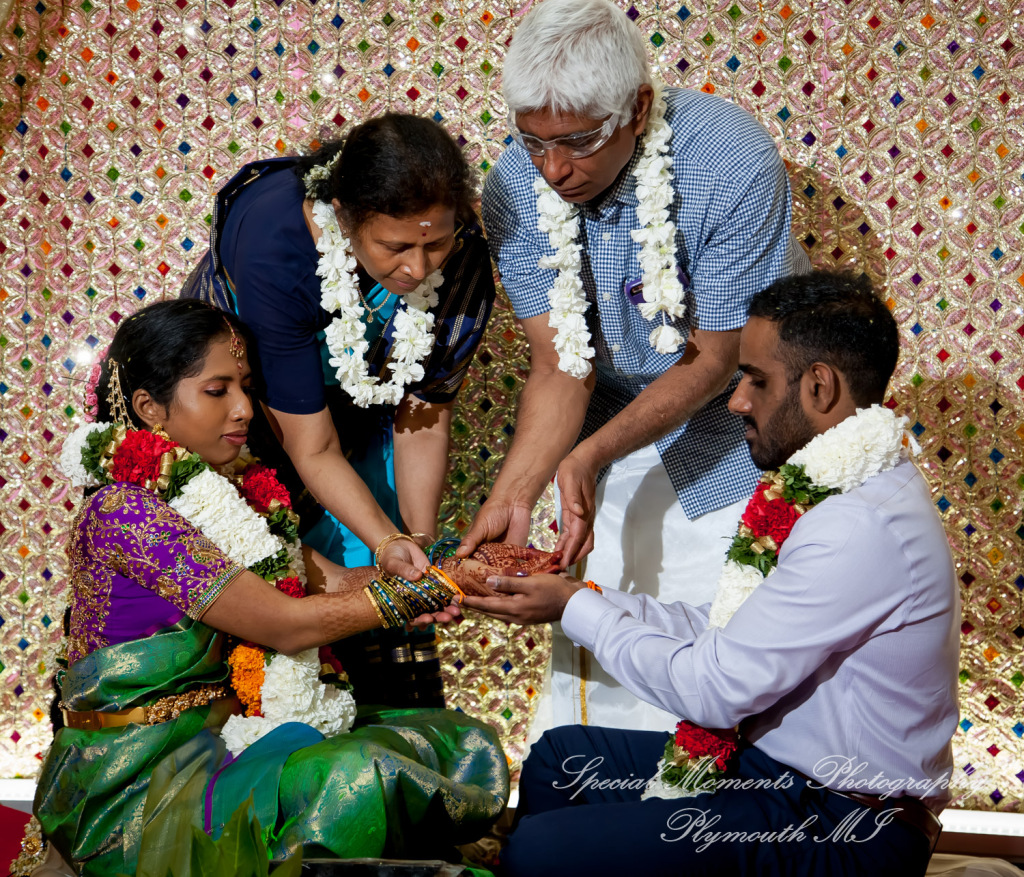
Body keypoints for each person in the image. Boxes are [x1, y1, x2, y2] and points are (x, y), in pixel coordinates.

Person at [465, 271, 959, 876]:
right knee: (557, 759)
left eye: (756, 379)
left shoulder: (858, 524)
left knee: (541, 852)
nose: (737, 400)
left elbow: (716, 690)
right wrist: (582, 594)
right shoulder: (832, 490)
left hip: (845, 821)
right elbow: (734, 630)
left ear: (820, 387)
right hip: (775, 776)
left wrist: (572, 611)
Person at [37, 300, 508, 877]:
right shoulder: (124, 513)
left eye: (246, 387)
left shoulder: (231, 494)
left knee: (452, 737)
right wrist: (420, 593)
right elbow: (284, 624)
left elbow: (334, 583)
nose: (243, 409)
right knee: (363, 772)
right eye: (217, 390)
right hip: (138, 777)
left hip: (223, 738)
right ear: (149, 408)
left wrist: (448, 572)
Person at [463, 0, 811, 732]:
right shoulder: (513, 188)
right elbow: (561, 360)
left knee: (718, 674)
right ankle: (594, 831)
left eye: (580, 142)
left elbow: (718, 357)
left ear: (639, 108)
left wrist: (587, 456)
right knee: (602, 680)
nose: (553, 169)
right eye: (533, 143)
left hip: (734, 444)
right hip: (603, 451)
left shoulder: (728, 162)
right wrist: (518, 494)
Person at [181, 113, 496, 707]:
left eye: (436, 243)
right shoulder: (277, 245)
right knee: (287, 574)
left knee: (390, 579)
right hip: (252, 431)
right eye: (395, 246)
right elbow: (312, 448)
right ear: (345, 215)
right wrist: (383, 544)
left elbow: (423, 410)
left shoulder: (464, 247)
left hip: (361, 411)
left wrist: (413, 546)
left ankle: (395, 740)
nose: (419, 268)